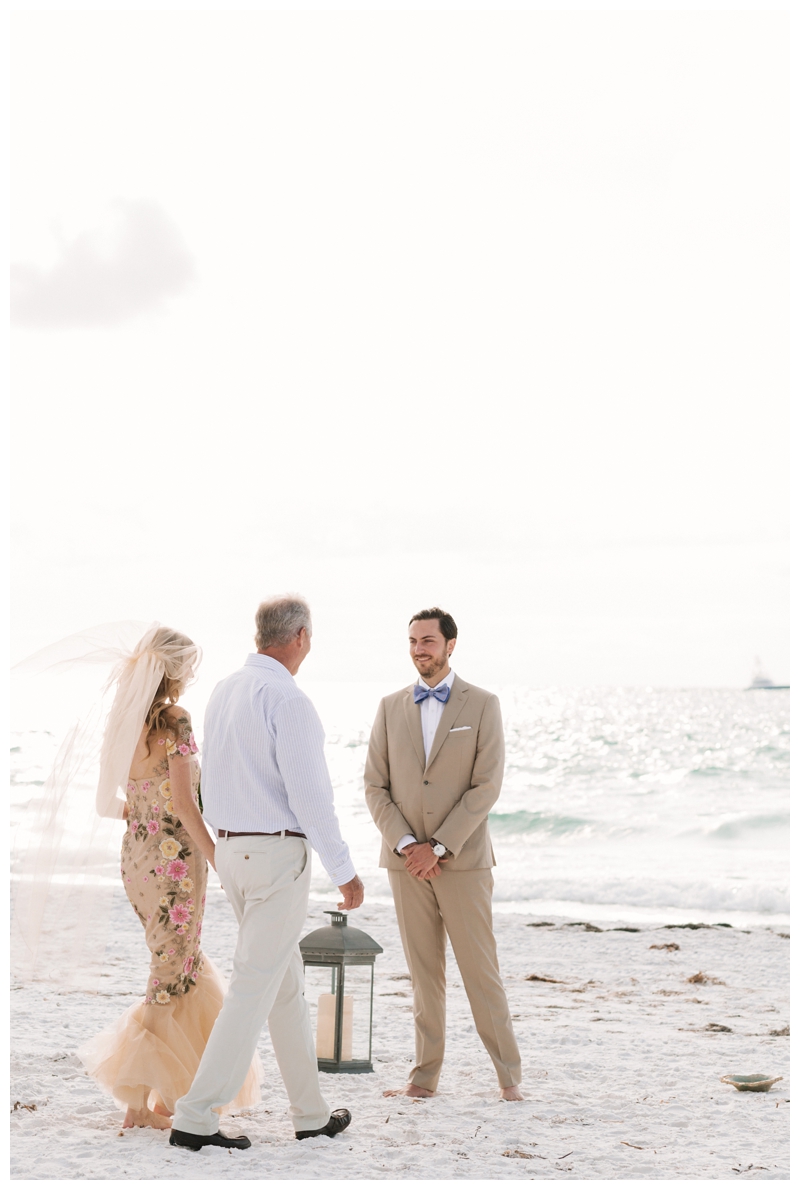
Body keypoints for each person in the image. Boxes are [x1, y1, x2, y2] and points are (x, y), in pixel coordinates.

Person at [169, 595, 364, 1152]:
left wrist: (223, 853)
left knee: (283, 986)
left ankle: (310, 1114)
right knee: (256, 986)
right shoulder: (289, 700)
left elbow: (213, 783)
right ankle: (196, 1116)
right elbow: (310, 798)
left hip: (232, 854)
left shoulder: (224, 691)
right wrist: (344, 871)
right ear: (300, 636)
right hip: (275, 858)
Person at [79, 626, 261, 1129]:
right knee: (167, 976)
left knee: (177, 968)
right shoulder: (175, 721)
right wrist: (218, 858)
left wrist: (143, 815)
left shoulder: (122, 725)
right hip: (174, 863)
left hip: (135, 860)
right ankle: (139, 1106)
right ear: (176, 671)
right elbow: (183, 805)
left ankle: (167, 1099)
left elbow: (105, 805)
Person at [364, 607, 523, 1101]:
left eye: (428, 641)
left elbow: (486, 785)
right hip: (406, 862)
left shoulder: (482, 704)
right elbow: (375, 785)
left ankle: (509, 1078)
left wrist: (439, 846)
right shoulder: (390, 706)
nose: (419, 650)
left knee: (480, 971)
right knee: (423, 975)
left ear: (451, 645)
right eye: (413, 641)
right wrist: (411, 846)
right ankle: (424, 1077)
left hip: (463, 861)